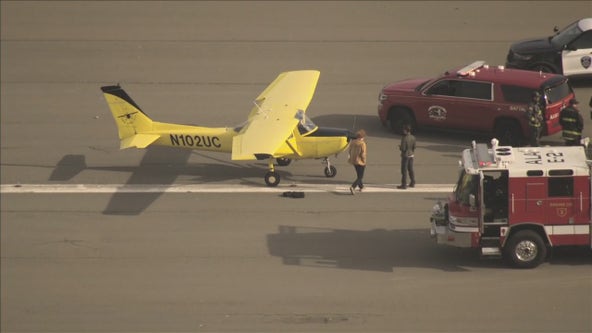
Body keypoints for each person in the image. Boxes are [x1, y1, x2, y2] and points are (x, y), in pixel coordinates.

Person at [348, 129, 367, 195]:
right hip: (360, 161)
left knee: (358, 175)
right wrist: (364, 161)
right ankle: (353, 187)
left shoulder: (352, 142)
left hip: (354, 161)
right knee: (360, 177)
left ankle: (361, 186)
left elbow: (349, 151)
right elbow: (363, 154)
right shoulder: (362, 144)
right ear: (362, 137)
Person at [397, 124, 416, 189]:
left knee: (404, 170)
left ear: (406, 130)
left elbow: (403, 148)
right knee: (410, 169)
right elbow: (414, 147)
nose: (403, 131)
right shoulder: (413, 137)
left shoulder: (404, 138)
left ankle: (404, 184)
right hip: (411, 155)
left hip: (405, 156)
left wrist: (400, 147)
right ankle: (412, 182)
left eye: (404, 130)